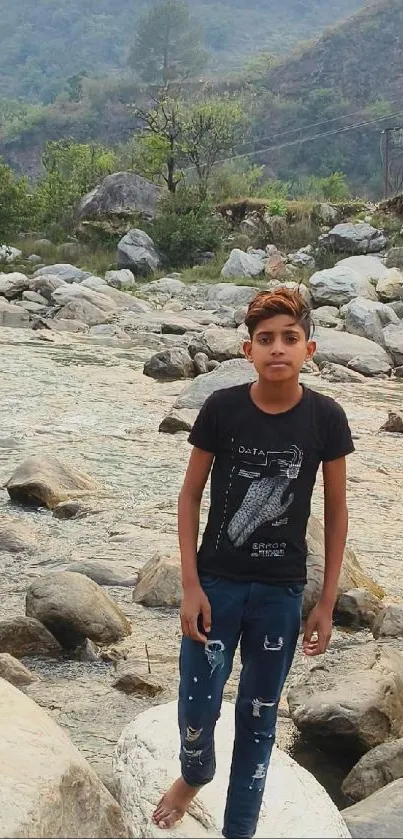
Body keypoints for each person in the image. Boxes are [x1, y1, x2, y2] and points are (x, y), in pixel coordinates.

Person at [152, 287, 354, 837]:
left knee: (260, 719)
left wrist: (326, 603)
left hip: (281, 595)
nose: (278, 349)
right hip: (216, 585)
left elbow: (336, 514)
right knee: (198, 710)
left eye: (290, 338)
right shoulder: (223, 408)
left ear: (309, 349)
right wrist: (190, 585)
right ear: (247, 350)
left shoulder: (326, 418)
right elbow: (191, 494)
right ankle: (195, 771)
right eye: (265, 339)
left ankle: (238, 831)